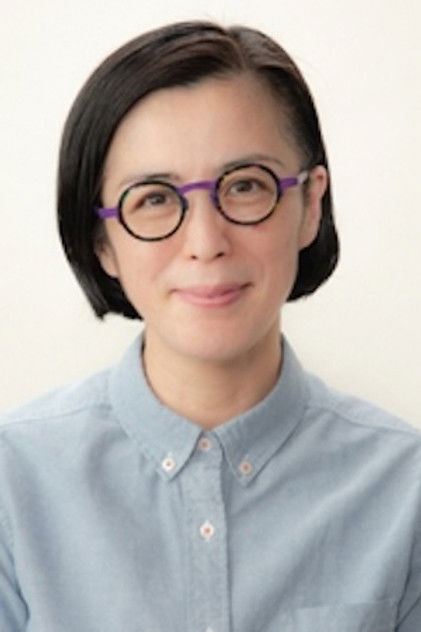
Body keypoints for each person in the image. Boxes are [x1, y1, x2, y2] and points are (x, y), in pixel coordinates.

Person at [1, 20, 420, 632]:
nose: (204, 241)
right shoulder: (13, 483)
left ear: (310, 205)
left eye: (245, 186)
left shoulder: (406, 489)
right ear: (102, 241)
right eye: (153, 198)